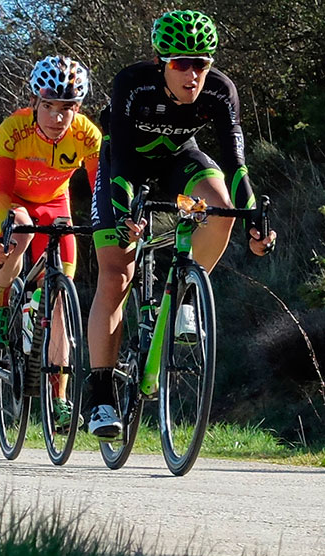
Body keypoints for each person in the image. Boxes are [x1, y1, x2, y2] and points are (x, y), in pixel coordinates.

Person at [86, 10, 277, 438]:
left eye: (202, 63)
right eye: (181, 64)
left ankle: (185, 294)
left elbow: (235, 163)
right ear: (161, 63)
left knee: (220, 208)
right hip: (125, 164)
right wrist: (123, 212)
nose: (193, 75)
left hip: (178, 158)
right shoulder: (132, 84)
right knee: (117, 275)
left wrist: (255, 223)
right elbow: (120, 162)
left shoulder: (221, 91)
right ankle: (99, 392)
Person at [0, 55, 101, 426]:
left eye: (66, 108)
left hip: (54, 203)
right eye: (48, 106)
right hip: (10, 199)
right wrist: (3, 228)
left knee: (61, 296)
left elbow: (99, 191)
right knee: (19, 228)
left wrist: (108, 225)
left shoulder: (88, 135)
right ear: (35, 102)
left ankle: (60, 397)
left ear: (77, 108)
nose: (55, 117)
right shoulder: (14, 128)